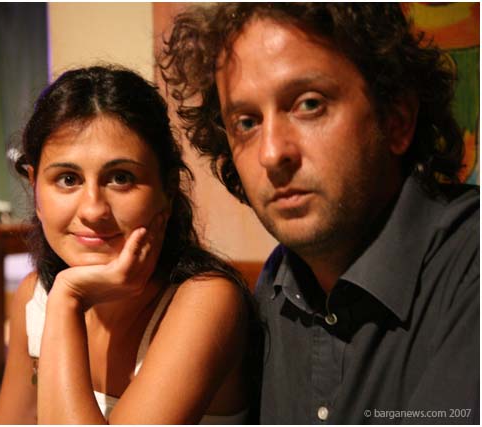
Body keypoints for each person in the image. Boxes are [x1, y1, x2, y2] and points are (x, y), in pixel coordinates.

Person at [160, 3, 479, 424]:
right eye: (247, 123)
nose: (272, 153)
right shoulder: (277, 286)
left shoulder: (469, 263)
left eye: (309, 104)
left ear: (397, 119)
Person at [0, 65, 260, 424]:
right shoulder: (35, 295)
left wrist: (68, 298)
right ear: (35, 187)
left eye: (120, 178)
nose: (93, 210)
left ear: (167, 190)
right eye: (68, 179)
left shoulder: (206, 301)